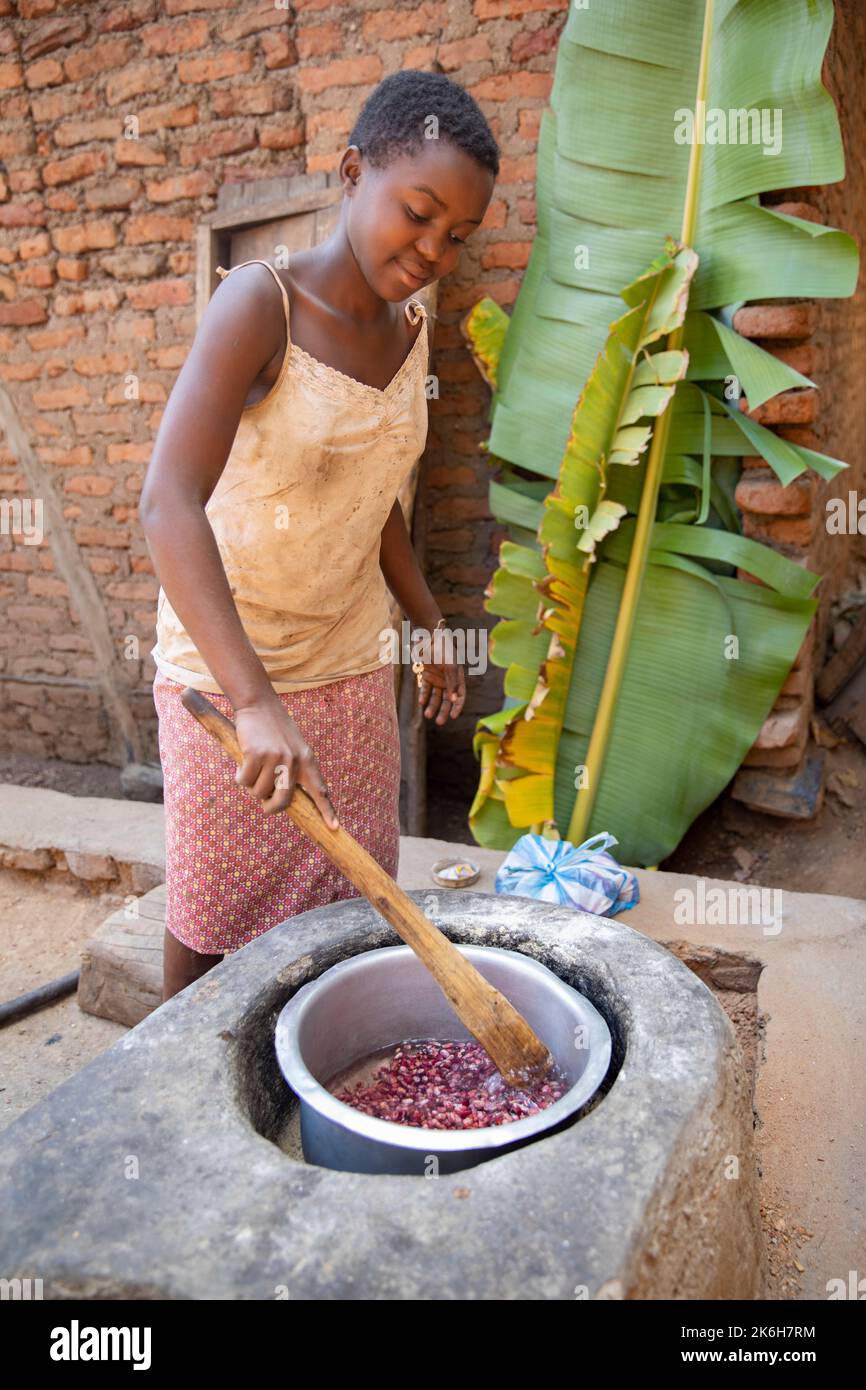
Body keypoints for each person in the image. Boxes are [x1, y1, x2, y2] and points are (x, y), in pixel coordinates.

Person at [140, 70, 499, 1001]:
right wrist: (253, 700)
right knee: (217, 913)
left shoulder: (411, 329)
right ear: (351, 171)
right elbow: (168, 502)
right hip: (228, 677)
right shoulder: (261, 306)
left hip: (345, 665)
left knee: (350, 900)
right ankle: (180, 1090)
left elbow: (371, 487)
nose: (432, 250)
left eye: (455, 236)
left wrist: (425, 620)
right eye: (417, 213)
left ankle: (320, 1067)